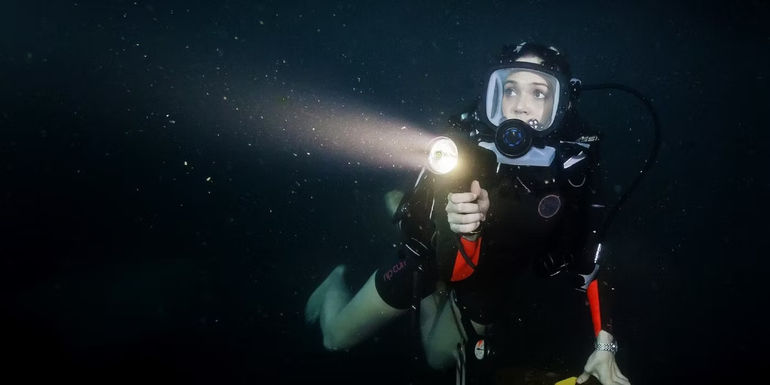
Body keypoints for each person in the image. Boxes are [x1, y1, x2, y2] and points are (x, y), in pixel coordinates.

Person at [305, 42, 631, 385]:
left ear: (560, 102)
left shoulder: (574, 166)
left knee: (436, 360)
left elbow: (592, 257)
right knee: (335, 338)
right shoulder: (464, 141)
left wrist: (604, 346)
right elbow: (447, 254)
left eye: (538, 92)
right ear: (495, 94)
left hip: (492, 281)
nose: (520, 106)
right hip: (429, 256)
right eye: (510, 89)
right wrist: (468, 229)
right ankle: (334, 285)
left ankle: (438, 292)